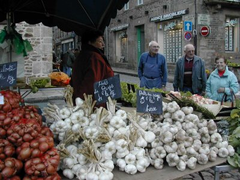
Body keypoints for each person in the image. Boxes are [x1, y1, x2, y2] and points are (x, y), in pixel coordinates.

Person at [71, 30, 114, 106]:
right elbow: (92, 82)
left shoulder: (84, 55)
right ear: (90, 42)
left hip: (84, 100)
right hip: (93, 104)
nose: (103, 44)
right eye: (100, 41)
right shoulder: (94, 58)